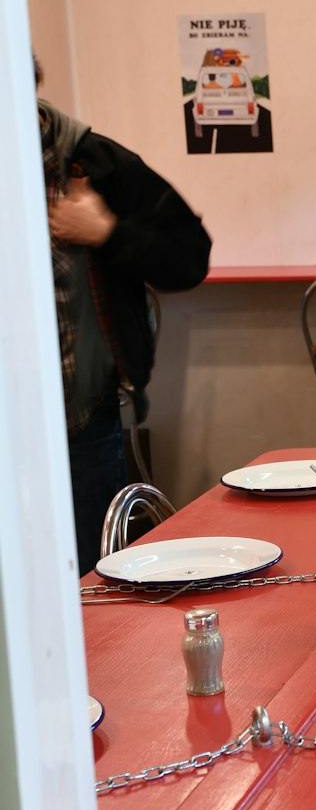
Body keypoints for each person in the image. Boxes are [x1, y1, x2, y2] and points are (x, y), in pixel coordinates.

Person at [36, 57, 212, 575]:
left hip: (82, 419)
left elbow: (189, 258)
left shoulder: (97, 163)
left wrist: (107, 233)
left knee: (94, 578)